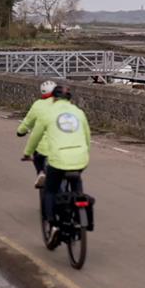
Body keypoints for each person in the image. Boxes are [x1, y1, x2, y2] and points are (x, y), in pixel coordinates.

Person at [22, 85, 91, 244]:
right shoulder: (79, 113)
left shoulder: (48, 113)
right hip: (80, 158)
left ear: (53, 98)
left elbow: (35, 136)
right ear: (70, 99)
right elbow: (87, 137)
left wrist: (28, 152)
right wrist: (85, 154)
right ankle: (77, 214)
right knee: (76, 184)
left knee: (50, 190)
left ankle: (53, 225)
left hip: (58, 159)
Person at [16, 80, 57, 187]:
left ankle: (41, 172)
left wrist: (21, 131)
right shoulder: (65, 104)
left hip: (45, 147)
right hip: (66, 143)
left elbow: (28, 122)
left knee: (37, 154)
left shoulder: (38, 105)